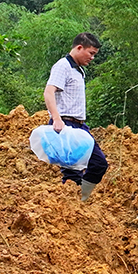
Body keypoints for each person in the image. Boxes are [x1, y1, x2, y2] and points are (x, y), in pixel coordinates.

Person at [42, 34, 107, 200]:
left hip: (79, 125)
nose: (92, 58)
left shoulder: (78, 70)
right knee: (72, 170)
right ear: (79, 47)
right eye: (90, 53)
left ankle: (80, 199)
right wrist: (56, 119)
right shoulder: (62, 66)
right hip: (65, 124)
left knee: (98, 164)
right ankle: (70, 204)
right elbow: (49, 92)